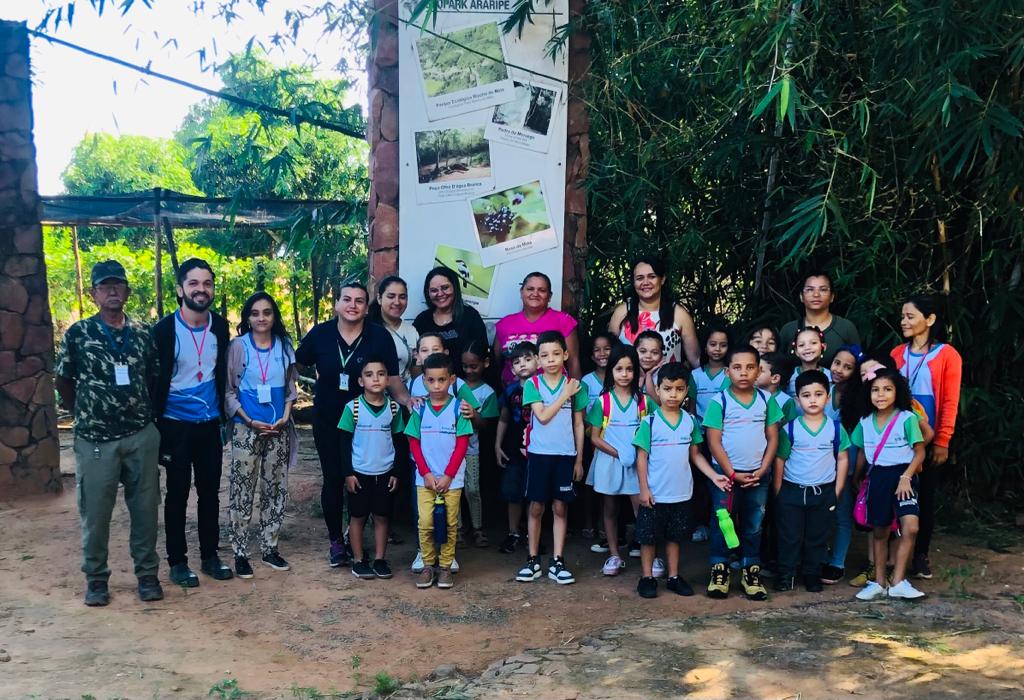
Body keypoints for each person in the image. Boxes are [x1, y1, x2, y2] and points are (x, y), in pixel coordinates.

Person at [54, 260, 164, 606]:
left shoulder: (143, 333)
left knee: (145, 508)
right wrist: (84, 414)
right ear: (94, 293)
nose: (113, 291)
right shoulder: (79, 334)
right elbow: (63, 380)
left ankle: (147, 575)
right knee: (96, 511)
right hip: (95, 440)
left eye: (118, 285)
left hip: (139, 436)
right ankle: (96, 578)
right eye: (105, 286)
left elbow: (154, 378)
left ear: (128, 292)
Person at [294, 282, 414, 568]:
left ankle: (357, 537)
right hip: (328, 420)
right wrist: (283, 398)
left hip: (369, 422)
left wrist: (409, 401)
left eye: (359, 300)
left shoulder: (379, 336)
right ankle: (337, 541)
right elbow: (295, 365)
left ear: (366, 306)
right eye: (346, 299)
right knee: (334, 479)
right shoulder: (321, 334)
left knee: (367, 480)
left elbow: (393, 378)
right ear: (336, 303)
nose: (352, 305)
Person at [153, 258, 233, 585]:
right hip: (175, 425)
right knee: (177, 493)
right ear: (180, 289)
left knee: (210, 493)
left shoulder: (221, 327)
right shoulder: (163, 330)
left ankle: (211, 556)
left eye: (207, 283)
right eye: (194, 283)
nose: (201, 289)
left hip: (209, 424)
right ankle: (177, 562)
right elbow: (153, 379)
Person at [633, 363, 731, 598]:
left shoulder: (690, 421)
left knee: (675, 538)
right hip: (655, 494)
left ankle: (674, 577)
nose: (673, 394)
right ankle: (647, 578)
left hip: (681, 493)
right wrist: (644, 489)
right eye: (667, 389)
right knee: (648, 539)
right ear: (657, 390)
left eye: (678, 389)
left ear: (686, 390)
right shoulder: (650, 423)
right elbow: (641, 458)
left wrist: (714, 475)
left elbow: (695, 455)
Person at [224, 292, 298, 578]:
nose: (261, 318)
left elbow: (291, 388)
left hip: (278, 429)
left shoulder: (284, 346)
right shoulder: (238, 347)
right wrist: (248, 419)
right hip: (247, 428)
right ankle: (240, 551)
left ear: (274, 316)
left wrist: (286, 417)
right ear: (247, 318)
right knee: (242, 488)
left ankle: (270, 548)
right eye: (255, 313)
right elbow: (229, 390)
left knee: (275, 488)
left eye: (267, 312)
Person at [701, 344, 783, 601]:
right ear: (727, 372)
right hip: (725, 477)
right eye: (737, 367)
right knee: (722, 524)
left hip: (757, 476)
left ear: (759, 371)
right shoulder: (719, 401)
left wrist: (763, 469)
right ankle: (720, 571)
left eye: (750, 367)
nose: (744, 372)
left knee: (753, 525)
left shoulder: (766, 400)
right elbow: (713, 442)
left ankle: (751, 572)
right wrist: (731, 473)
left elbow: (773, 437)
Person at [891, 294, 962, 580]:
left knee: (926, 496)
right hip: (899, 438)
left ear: (929, 319)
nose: (904, 321)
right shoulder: (897, 353)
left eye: (910, 316)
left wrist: (943, 440)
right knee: (897, 494)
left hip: (929, 438)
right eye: (903, 316)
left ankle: (920, 554)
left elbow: (949, 401)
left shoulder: (947, 355)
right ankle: (894, 555)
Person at [515, 330, 588, 585]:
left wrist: (578, 459)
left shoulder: (576, 386)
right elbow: (543, 417)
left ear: (566, 354)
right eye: (544, 355)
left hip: (565, 455)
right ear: (537, 359)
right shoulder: (532, 385)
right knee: (536, 506)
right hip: (539, 454)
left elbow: (579, 424)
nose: (551, 359)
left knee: (560, 506)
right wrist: (565, 395)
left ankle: (558, 561)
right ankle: (532, 559)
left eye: (556, 353)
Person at [852, 368, 927, 601]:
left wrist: (906, 477)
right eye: (875, 390)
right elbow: (863, 452)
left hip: (903, 477)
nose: (881, 395)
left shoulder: (907, 418)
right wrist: (857, 477)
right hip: (878, 478)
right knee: (880, 531)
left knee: (911, 527)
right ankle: (879, 582)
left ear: (898, 392)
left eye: (887, 389)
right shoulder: (864, 422)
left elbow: (920, 452)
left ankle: (899, 582)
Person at [772, 370, 851, 593]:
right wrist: (778, 490)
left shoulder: (835, 429)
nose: (813, 400)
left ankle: (812, 574)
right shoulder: (790, 429)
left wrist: (838, 488)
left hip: (823, 491)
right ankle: (786, 574)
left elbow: (843, 458)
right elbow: (780, 460)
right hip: (792, 491)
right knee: (789, 535)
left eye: (818, 394)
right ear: (798, 400)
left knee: (817, 536)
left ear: (827, 397)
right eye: (806, 395)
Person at [404, 353, 474, 589]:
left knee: (450, 523)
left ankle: (445, 568)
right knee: (425, 522)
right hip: (425, 479)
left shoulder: (458, 409)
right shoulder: (419, 408)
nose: (436, 385)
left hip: (451, 481)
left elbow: (462, 444)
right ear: (423, 380)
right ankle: (427, 566)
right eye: (431, 380)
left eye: (441, 380)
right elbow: (413, 443)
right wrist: (425, 473)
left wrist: (448, 475)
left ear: (452, 380)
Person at [339, 359, 405, 580]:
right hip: (359, 474)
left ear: (388, 379)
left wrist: (396, 471)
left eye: (381, 373)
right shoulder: (353, 408)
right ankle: (358, 560)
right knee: (357, 516)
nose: (375, 378)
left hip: (385, 472)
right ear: (360, 380)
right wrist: (348, 473)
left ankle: (379, 559)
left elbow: (400, 441)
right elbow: (343, 443)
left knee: (382, 517)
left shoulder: (394, 408)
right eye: (369, 374)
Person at [585, 344, 647, 576]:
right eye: (619, 368)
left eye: (629, 369)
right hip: (610, 462)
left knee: (642, 508)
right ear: (611, 370)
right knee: (609, 508)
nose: (624, 374)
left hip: (635, 464)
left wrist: (635, 454)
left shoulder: (644, 402)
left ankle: (647, 552)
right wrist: (618, 453)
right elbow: (594, 436)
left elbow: (649, 433)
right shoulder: (603, 402)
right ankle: (613, 554)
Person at [821, 344, 866, 584]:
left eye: (847, 367)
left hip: (846, 465)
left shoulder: (861, 399)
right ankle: (819, 556)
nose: (839, 369)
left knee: (842, 514)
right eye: (837, 362)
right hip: (818, 464)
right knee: (819, 513)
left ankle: (837, 562)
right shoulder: (820, 388)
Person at [607, 256, 700, 367]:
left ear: (663, 279)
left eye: (652, 277)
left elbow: (695, 359)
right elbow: (609, 355)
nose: (646, 282)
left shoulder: (679, 314)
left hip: (668, 383)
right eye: (640, 278)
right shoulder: (622, 312)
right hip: (629, 383)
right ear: (633, 282)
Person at [493, 272, 581, 381]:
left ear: (549, 296)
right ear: (521, 292)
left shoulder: (564, 321)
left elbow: (573, 362)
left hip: (555, 394)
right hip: (513, 394)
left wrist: (575, 394)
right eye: (530, 289)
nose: (535, 294)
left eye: (542, 290)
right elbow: (497, 363)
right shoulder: (504, 324)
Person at [495, 342, 539, 554]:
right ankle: (513, 533)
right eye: (517, 361)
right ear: (511, 369)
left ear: (538, 361)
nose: (522, 364)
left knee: (535, 492)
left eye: (528, 359)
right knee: (513, 491)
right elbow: (503, 419)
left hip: (539, 450)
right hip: (514, 449)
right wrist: (497, 445)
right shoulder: (511, 391)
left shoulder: (543, 388)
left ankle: (534, 534)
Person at [461, 342, 500, 547]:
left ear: (485, 363)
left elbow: (487, 424)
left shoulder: (488, 392)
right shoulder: (453, 385)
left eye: (473, 366)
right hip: (450, 451)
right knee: (453, 491)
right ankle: (457, 529)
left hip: (472, 449)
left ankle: (477, 528)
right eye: (465, 366)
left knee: (473, 490)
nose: (469, 371)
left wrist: (474, 416)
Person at [779, 271, 860, 365]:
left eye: (823, 289)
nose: (816, 294)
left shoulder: (846, 328)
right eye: (810, 290)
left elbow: (859, 364)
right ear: (801, 296)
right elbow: (778, 365)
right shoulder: (788, 330)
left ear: (832, 297)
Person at [413, 267, 488, 360]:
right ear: (427, 293)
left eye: (445, 288)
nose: (440, 294)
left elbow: (483, 354)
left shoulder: (471, 316)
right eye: (434, 290)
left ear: (455, 287)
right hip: (432, 375)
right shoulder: (422, 320)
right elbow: (415, 359)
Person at [368, 276, 419, 382]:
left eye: (402, 297)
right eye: (391, 296)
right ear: (379, 299)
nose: (397, 302)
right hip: (375, 394)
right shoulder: (367, 329)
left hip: (406, 394)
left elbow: (416, 371)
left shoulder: (411, 331)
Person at [788, 326, 832, 400]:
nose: (807, 347)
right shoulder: (789, 375)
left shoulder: (831, 376)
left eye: (813, 343)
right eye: (802, 345)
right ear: (796, 351)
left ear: (823, 347)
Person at [756, 352, 797, 425]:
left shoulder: (786, 401)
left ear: (775, 378)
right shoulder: (749, 394)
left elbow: (790, 427)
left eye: (760, 371)